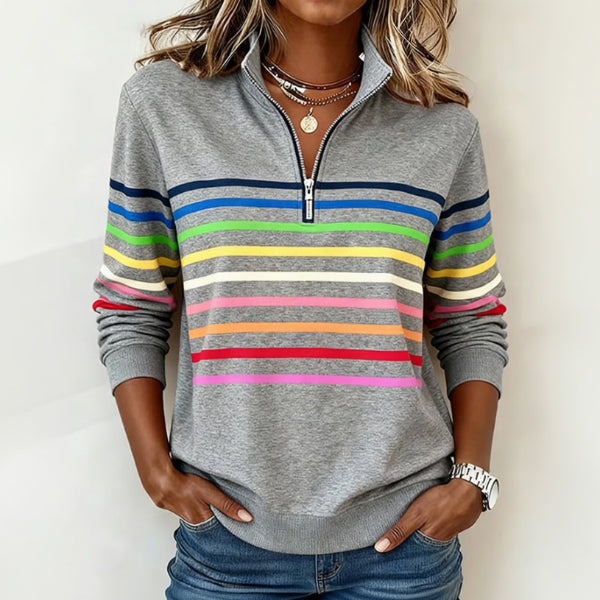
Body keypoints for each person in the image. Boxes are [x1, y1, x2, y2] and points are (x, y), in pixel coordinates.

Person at [91, 1, 509, 598]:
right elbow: (132, 302)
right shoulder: (165, 106)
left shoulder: (441, 128)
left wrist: (471, 480)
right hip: (227, 546)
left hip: (405, 549)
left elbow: (470, 316)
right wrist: (156, 471)